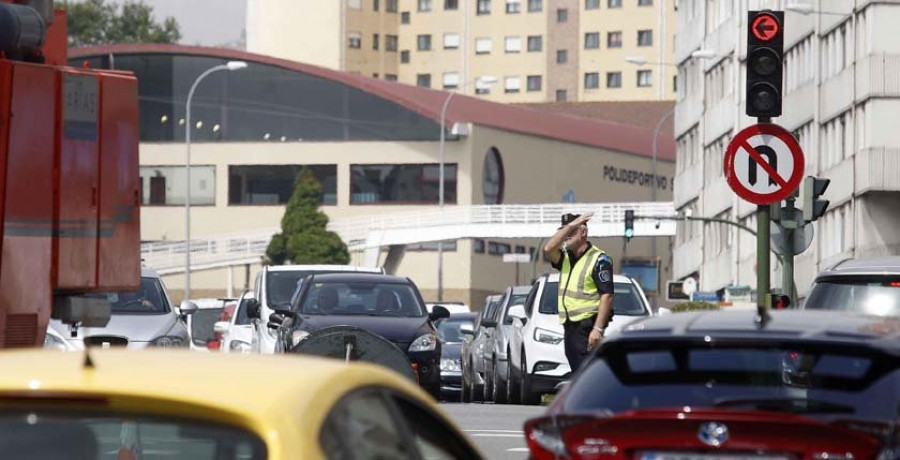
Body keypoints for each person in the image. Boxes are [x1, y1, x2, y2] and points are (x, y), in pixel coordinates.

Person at [543, 212, 614, 371]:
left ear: (583, 232)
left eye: (571, 233)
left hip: (587, 328)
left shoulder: (599, 259)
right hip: (570, 327)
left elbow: (607, 295)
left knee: (587, 375)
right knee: (578, 374)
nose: (566, 237)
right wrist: (570, 226)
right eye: (564, 233)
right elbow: (548, 248)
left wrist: (597, 329)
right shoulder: (565, 258)